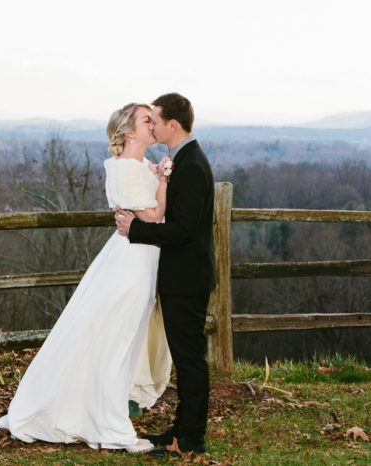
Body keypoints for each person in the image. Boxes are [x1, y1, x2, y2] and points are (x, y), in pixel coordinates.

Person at [0, 103, 172, 453]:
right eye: (146, 120)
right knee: (115, 341)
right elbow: (153, 213)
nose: (153, 124)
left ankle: (99, 407)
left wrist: (158, 176)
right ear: (129, 132)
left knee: (121, 340)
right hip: (130, 264)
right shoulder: (126, 169)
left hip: (143, 259)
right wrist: (163, 180)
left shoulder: (139, 166)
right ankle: (111, 425)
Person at [115, 92, 215, 457]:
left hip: (186, 281)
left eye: (155, 120)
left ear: (173, 124)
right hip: (183, 278)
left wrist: (136, 230)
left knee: (190, 360)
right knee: (186, 359)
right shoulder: (185, 159)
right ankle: (180, 429)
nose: (152, 126)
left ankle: (190, 440)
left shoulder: (191, 166)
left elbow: (183, 230)